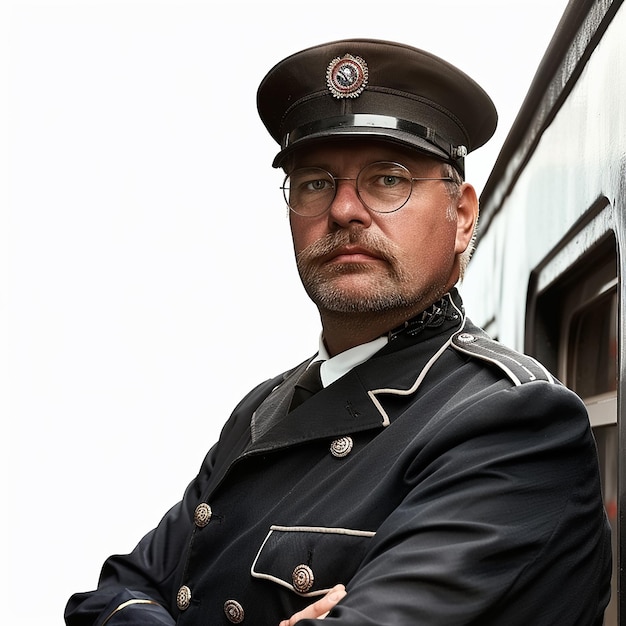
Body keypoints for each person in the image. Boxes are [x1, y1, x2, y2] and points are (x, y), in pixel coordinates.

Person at [65, 38, 612, 626]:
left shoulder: (512, 423)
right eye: (315, 183)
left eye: (387, 179)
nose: (345, 210)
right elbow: (113, 592)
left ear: (462, 216)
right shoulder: (263, 410)